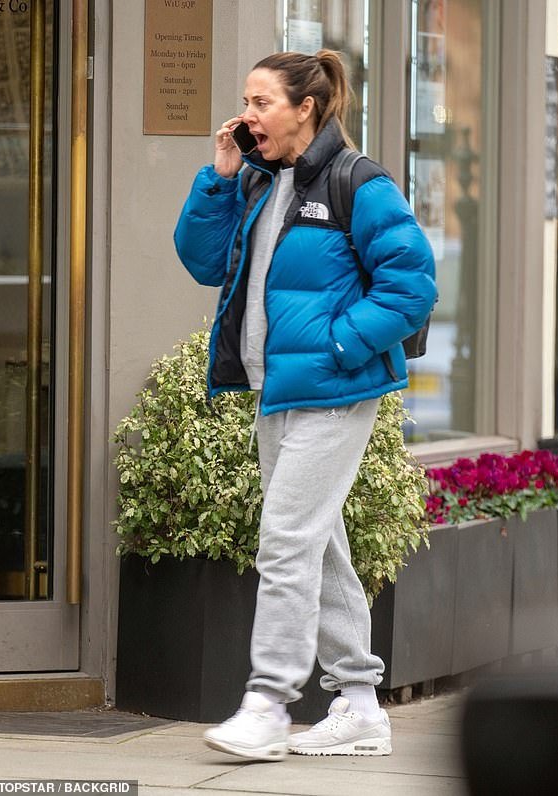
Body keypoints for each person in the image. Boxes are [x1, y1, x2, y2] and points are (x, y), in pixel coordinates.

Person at [174, 50, 437, 762]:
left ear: (306, 109)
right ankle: (357, 704)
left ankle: (269, 702)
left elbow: (412, 284)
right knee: (317, 545)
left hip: (333, 391)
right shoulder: (259, 184)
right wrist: (219, 178)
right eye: (246, 100)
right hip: (274, 392)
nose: (248, 114)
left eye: (261, 101)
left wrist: (341, 346)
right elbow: (202, 261)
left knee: (286, 542)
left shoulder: (359, 181)